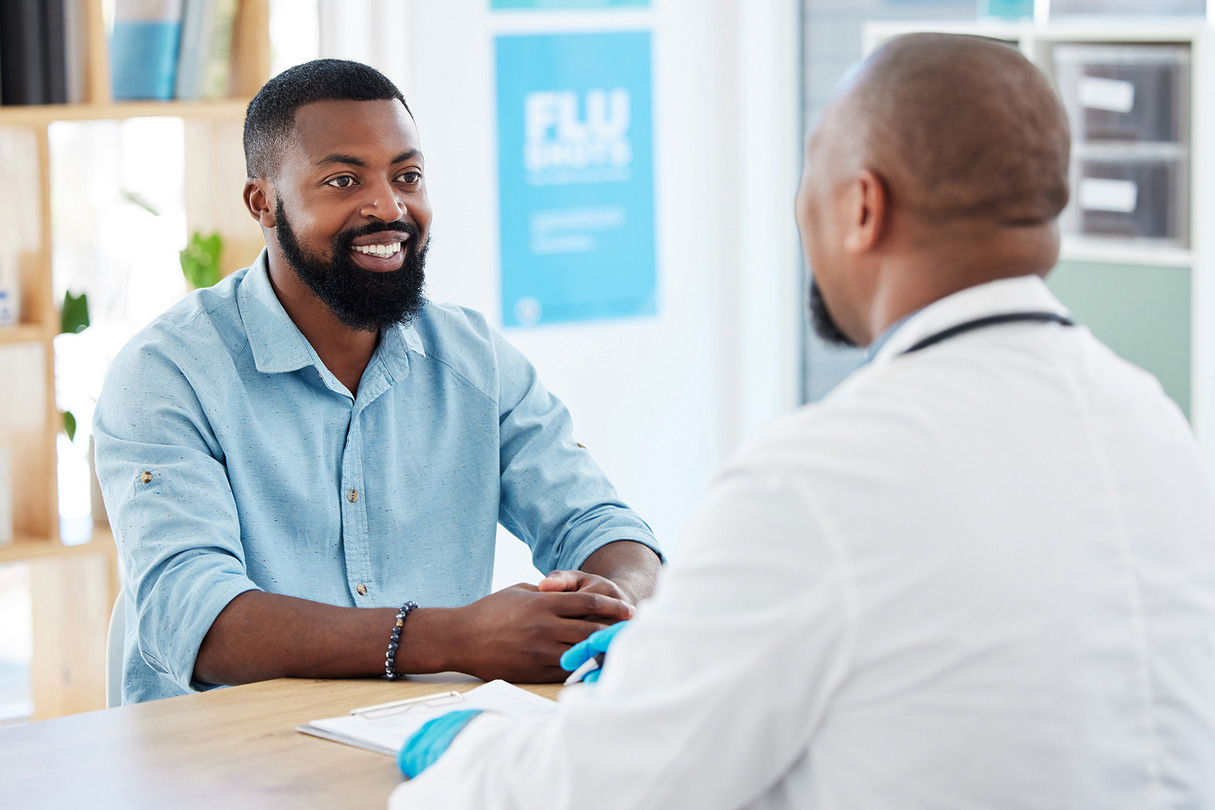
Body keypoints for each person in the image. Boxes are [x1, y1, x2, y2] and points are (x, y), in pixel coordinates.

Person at [389, 33, 1215, 809]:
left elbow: (607, 787)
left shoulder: (824, 476)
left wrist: (468, 751)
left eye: (807, 174)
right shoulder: (1153, 424)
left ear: (862, 205)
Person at [93, 59, 662, 705]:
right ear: (264, 203)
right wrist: (452, 639)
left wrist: (613, 599)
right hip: (218, 765)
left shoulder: (473, 359)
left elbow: (598, 522)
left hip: (415, 743)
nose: (389, 208)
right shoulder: (167, 373)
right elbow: (193, 621)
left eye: (407, 176)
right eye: (342, 180)